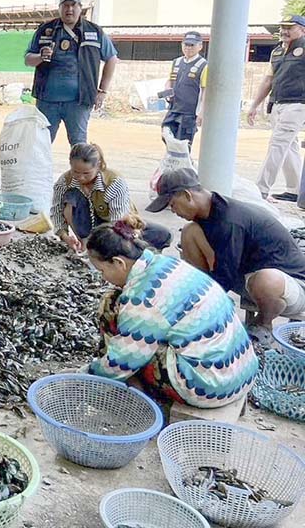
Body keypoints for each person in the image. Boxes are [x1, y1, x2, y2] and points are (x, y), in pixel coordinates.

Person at [86, 219, 259, 408]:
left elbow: (124, 361)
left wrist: (87, 374)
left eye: (102, 271)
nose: (103, 278)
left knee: (115, 315)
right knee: (119, 305)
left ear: (119, 263)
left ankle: (136, 390)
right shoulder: (166, 264)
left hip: (210, 387)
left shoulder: (142, 298)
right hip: (241, 371)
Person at [146, 168, 305, 345]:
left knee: (266, 279)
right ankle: (208, 299)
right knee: (190, 232)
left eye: (172, 205)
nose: (173, 211)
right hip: (247, 277)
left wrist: (199, 305)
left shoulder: (230, 220)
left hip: (291, 286)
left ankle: (263, 324)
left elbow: (225, 274)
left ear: (187, 195)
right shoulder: (209, 211)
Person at [25, 0, 119, 145]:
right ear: (59, 8)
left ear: (80, 8)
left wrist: (102, 91)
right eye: (65, 5)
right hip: (47, 101)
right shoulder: (45, 30)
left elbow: (112, 58)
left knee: (79, 145)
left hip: (79, 102)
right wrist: (40, 56)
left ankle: (79, 163)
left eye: (73, 5)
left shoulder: (95, 31)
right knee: (41, 145)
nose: (69, 9)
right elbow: (28, 59)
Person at [52, 143, 171, 253]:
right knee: (72, 194)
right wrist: (65, 236)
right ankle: (86, 243)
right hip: (85, 227)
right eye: (76, 172)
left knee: (163, 234)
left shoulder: (114, 182)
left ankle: (99, 246)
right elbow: (57, 211)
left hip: (114, 225)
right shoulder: (65, 181)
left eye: (86, 173)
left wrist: (106, 242)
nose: (80, 177)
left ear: (98, 166)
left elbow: (117, 221)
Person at [247, 16, 305, 202]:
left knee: (277, 144)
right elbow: (268, 80)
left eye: (290, 27)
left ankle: (261, 190)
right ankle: (294, 190)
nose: (284, 31)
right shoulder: (277, 51)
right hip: (277, 104)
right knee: (289, 146)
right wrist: (255, 105)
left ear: (302, 30)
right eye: (282, 27)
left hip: (297, 104)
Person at [158, 30, 207, 149]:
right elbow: (170, 80)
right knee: (166, 134)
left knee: (183, 144)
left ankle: (183, 161)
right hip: (173, 108)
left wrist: (201, 112)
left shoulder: (204, 65)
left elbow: (205, 91)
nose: (188, 48)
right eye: (186, 44)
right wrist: (167, 88)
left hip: (189, 113)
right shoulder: (176, 62)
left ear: (200, 46)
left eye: (192, 45)